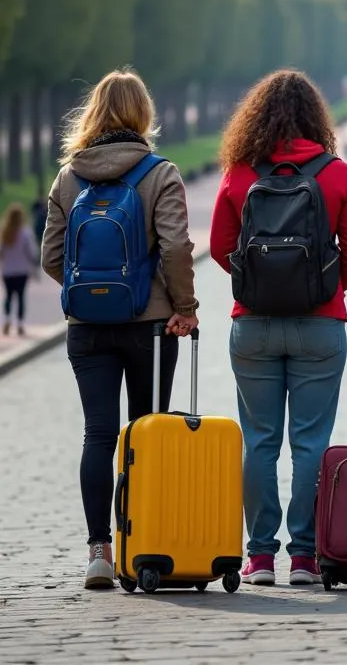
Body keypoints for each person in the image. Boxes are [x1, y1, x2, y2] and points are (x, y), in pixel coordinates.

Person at [40, 69, 199, 590]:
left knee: (98, 434)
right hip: (150, 324)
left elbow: (51, 257)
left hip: (86, 327)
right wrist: (183, 304)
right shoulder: (160, 173)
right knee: (147, 434)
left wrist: (90, 291)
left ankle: (99, 552)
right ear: (143, 113)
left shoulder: (69, 177)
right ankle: (146, 543)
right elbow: (175, 247)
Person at [210, 69, 347, 587]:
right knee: (311, 443)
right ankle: (303, 555)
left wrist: (256, 285)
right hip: (320, 326)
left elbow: (218, 247)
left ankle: (259, 557)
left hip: (253, 326)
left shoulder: (239, 173)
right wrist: (325, 288)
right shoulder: (336, 173)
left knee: (258, 441)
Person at [1, 203, 38, 336]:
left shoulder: (4, 231)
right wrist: (34, 265)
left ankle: (6, 319)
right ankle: (20, 324)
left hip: (7, 271)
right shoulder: (25, 232)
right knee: (21, 297)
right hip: (22, 271)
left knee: (8, 297)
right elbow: (31, 251)